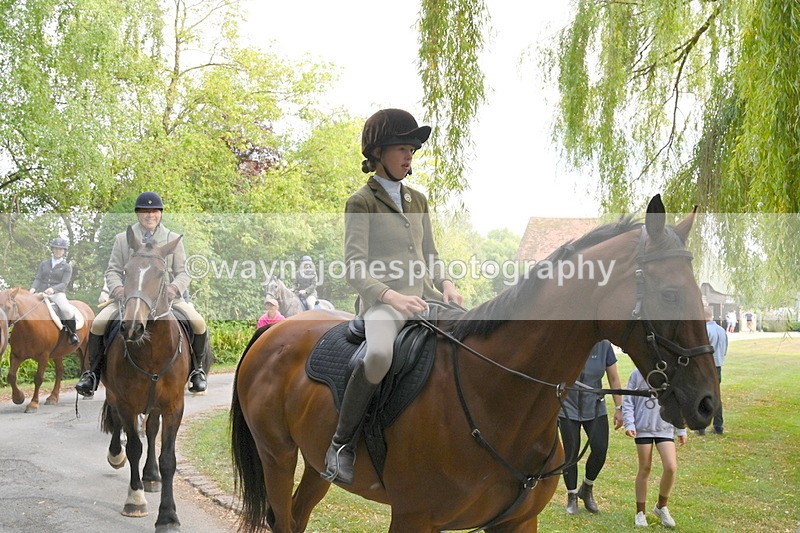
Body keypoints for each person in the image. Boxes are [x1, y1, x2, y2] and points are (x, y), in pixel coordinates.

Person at [321, 108, 463, 484]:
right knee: (380, 354)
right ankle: (341, 444)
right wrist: (391, 297)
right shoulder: (361, 202)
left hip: (426, 299)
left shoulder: (418, 199)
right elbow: (354, 266)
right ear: (378, 152)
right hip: (383, 305)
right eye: (401, 148)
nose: (408, 156)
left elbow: (430, 254)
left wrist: (446, 283)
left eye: (412, 150)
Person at [75, 192, 210, 397]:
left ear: (160, 214)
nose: (150, 215)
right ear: (138, 213)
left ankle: (197, 371)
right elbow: (112, 270)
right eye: (145, 211)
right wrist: (118, 289)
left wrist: (174, 288)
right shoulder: (123, 239)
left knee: (198, 323)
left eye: (154, 211)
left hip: (167, 300)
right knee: (98, 323)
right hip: (129, 300)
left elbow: (183, 271)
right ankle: (91, 374)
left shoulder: (172, 239)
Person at [558, 339, 623, 514]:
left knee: (600, 448)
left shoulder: (604, 346)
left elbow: (614, 377)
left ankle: (586, 488)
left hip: (595, 406)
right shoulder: (568, 341)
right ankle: (572, 496)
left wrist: (619, 408)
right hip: (568, 407)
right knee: (571, 452)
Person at [623, 368, 687, 528]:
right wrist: (629, 423)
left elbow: (678, 401)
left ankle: (661, 506)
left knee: (671, 467)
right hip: (643, 428)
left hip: (664, 427)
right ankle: (640, 512)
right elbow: (628, 400)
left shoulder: (669, 373)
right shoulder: (637, 374)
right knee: (645, 468)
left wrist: (681, 429)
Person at [30, 237, 79, 344]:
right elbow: (38, 278)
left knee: (66, 310)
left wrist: (53, 289)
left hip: (57, 294)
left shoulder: (67, 267)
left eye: (61, 249)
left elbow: (64, 284)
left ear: (64, 251)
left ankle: (73, 334)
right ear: (52, 249)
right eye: (56, 248)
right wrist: (33, 289)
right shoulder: (44, 264)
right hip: (42, 293)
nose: (58, 251)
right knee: (26, 306)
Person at [697, 306, 728, 435]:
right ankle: (718, 425)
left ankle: (701, 426)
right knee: (715, 395)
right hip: (718, 365)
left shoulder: (705, 331)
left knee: (702, 395)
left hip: (706, 367)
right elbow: (725, 348)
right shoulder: (721, 330)